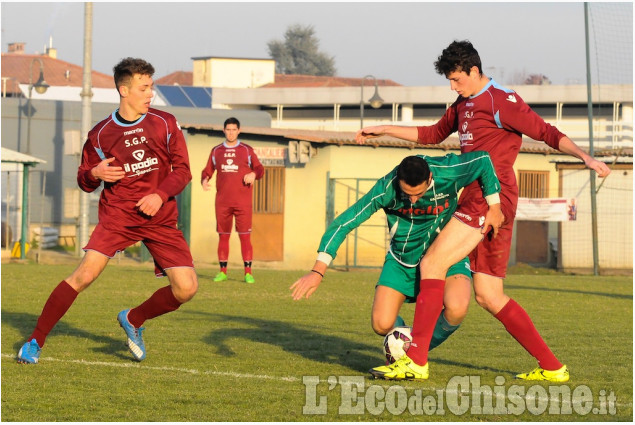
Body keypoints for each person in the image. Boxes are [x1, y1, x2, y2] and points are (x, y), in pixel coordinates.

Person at [358, 40, 611, 382]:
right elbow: (432, 134)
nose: (452, 86)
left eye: (457, 79)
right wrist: (385, 128)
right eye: (449, 80)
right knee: (489, 296)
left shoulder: (501, 101)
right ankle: (553, 367)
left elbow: (547, 132)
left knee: (433, 262)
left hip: (491, 198)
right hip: (481, 200)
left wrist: (587, 158)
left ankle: (416, 359)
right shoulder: (463, 104)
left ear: (474, 71)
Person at [16, 58, 198, 364]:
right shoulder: (100, 134)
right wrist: (95, 174)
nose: (150, 93)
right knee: (84, 275)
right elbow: (84, 181)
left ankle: (134, 319)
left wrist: (159, 193)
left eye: (151, 86)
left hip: (160, 219)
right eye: (144, 88)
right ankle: (35, 341)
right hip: (119, 217)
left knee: (186, 288)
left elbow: (182, 171)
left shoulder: (165, 123)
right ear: (124, 90)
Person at [290, 153, 502, 356]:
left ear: (430, 178)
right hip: (402, 261)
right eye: (407, 194)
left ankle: (414, 352)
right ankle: (406, 342)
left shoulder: (447, 170)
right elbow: (344, 222)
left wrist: (495, 206)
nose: (412, 200)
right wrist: (318, 271)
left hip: (447, 257)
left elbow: (483, 160)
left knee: (457, 308)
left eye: (418, 194)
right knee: (381, 324)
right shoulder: (386, 188)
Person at [201, 117, 265, 284]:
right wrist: (204, 179)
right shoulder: (216, 151)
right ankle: (222, 272)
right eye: (228, 129)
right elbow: (208, 170)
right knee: (223, 237)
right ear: (224, 131)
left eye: (233, 129)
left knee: (245, 237)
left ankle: (248, 273)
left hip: (243, 203)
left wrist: (253, 174)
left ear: (238, 130)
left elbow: (259, 169)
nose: (230, 132)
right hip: (222, 202)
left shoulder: (246, 150)